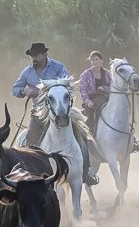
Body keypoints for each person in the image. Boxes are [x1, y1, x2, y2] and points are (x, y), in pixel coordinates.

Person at [13, 42, 99, 186]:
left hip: (62, 110)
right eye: (32, 55)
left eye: (37, 55)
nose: (34, 58)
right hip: (39, 113)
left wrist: (45, 90)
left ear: (44, 54)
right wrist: (24, 91)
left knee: (82, 134)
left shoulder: (58, 67)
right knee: (31, 140)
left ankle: (85, 171)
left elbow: (68, 85)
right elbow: (16, 89)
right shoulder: (27, 72)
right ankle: (31, 172)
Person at [79, 50, 139, 154]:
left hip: (106, 97)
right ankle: (87, 138)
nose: (95, 62)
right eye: (93, 60)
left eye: (97, 59)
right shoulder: (86, 74)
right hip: (92, 100)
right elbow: (83, 89)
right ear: (90, 61)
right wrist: (87, 101)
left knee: (120, 112)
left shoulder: (107, 73)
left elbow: (112, 86)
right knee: (90, 117)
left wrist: (103, 88)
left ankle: (132, 140)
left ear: (101, 61)